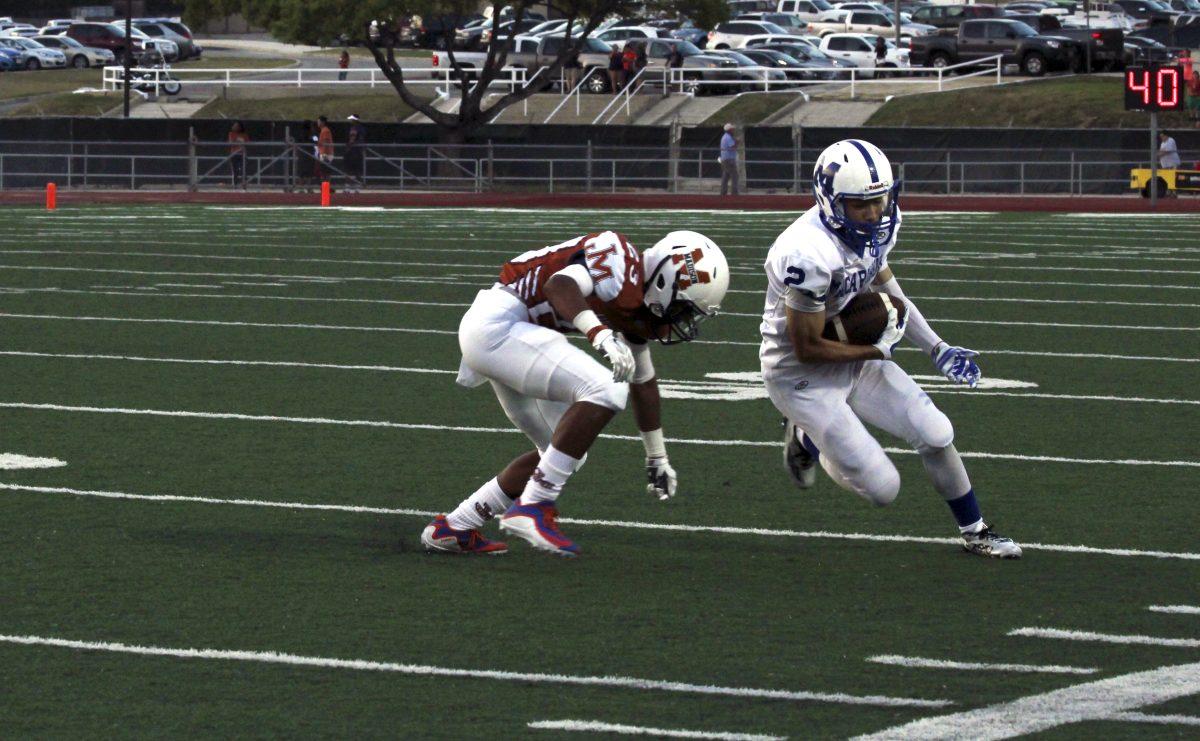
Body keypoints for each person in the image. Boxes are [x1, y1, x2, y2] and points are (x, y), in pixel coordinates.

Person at [760, 139, 1022, 559]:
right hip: (800, 375)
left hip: (855, 349)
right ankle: (805, 436)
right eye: (859, 205)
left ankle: (976, 530)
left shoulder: (880, 223)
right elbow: (807, 347)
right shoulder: (805, 252)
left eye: (879, 201)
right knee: (884, 489)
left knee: (937, 434)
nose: (874, 213)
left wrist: (936, 347)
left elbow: (883, 282)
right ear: (829, 201)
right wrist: (878, 353)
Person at [421, 230, 730, 556]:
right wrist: (599, 334)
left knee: (561, 450)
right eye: (683, 310)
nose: (681, 322)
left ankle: (454, 526)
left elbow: (644, 382)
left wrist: (657, 456)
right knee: (606, 388)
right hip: (498, 324)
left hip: (514, 337)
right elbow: (559, 285)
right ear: (667, 281)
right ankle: (534, 506)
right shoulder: (618, 260)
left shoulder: (634, 303)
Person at [344, 113, 366, 191]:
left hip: (353, 151)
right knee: (357, 170)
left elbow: (352, 138)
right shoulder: (362, 128)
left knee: (349, 170)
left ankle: (348, 187)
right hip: (359, 150)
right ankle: (357, 187)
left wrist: (348, 148)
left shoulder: (354, 128)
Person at [227, 121, 249, 190]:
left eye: (236, 126)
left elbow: (247, 143)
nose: (234, 127)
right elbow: (231, 143)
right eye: (234, 126)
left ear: (239, 127)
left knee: (244, 170)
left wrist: (239, 142)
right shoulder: (231, 134)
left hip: (242, 154)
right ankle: (235, 185)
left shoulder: (244, 135)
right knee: (235, 170)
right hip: (234, 154)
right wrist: (237, 141)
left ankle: (244, 185)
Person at [719, 123, 739, 196]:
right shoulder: (728, 137)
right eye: (732, 129)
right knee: (735, 176)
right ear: (729, 130)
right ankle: (734, 193)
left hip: (724, 159)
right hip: (729, 159)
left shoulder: (724, 137)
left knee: (726, 176)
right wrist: (737, 142)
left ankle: (723, 192)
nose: (733, 130)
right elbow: (732, 147)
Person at [315, 115, 334, 184]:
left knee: (325, 172)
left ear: (322, 122)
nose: (317, 123)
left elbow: (326, 142)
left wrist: (324, 155)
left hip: (326, 154)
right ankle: (325, 187)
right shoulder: (323, 130)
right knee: (323, 172)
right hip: (323, 153)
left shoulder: (325, 130)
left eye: (318, 121)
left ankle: (326, 188)